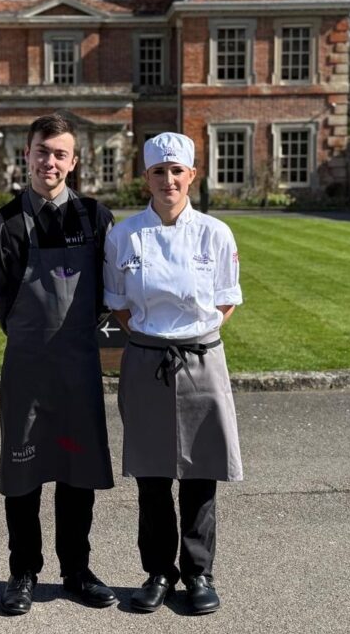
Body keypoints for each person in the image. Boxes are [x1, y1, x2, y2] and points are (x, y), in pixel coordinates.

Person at [102, 132, 243, 616]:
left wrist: (193, 337)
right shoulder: (123, 236)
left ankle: (199, 572)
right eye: (159, 172)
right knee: (153, 474)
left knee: (201, 472)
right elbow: (119, 305)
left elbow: (225, 300)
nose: (168, 180)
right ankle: (159, 571)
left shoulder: (215, 234)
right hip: (146, 361)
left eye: (176, 171)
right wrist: (154, 339)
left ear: (191, 176)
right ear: (146, 178)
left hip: (202, 360)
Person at [0, 114, 117, 615]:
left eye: (61, 154)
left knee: (77, 469)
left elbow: (107, 294)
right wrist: (36, 336)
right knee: (24, 470)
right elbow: (1, 299)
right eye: (43, 151)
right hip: (28, 365)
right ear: (27, 154)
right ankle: (23, 571)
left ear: (74, 161)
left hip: (80, 366)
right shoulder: (5, 224)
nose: (50, 162)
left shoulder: (97, 220)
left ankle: (76, 568)